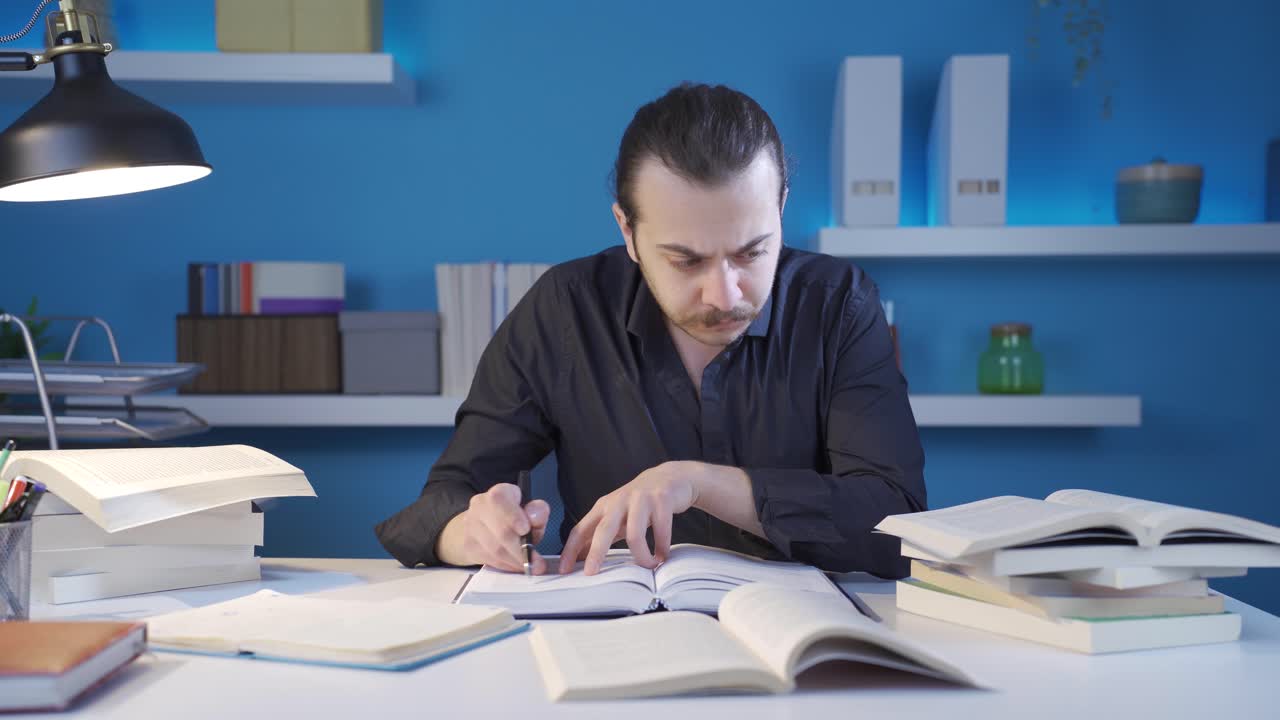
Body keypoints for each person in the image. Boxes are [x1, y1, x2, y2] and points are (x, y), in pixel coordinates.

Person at [375, 82, 925, 578]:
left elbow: (897, 527)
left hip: (804, 642)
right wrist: (469, 531)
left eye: (753, 252)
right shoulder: (566, 309)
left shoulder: (838, 304)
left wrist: (701, 484)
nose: (725, 295)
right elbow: (441, 501)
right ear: (628, 231)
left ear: (781, 209)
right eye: (686, 261)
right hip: (608, 638)